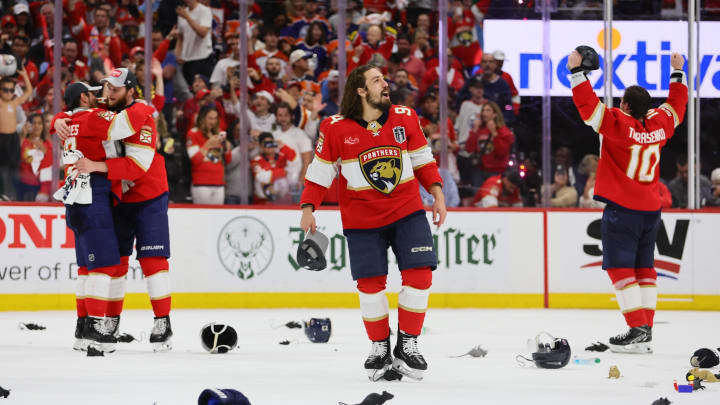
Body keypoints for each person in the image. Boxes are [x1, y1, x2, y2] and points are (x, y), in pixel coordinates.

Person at [299, 65, 447, 382]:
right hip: (362, 218)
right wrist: (309, 207)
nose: (385, 83)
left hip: (407, 210)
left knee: (420, 274)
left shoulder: (405, 116)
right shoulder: (335, 127)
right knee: (370, 285)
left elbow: (423, 159)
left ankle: (408, 343)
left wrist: (437, 193)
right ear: (361, 91)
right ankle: (379, 346)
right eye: (376, 79)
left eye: (384, 77)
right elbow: (320, 171)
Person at [569, 49, 687, 353]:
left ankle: (636, 328)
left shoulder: (618, 124)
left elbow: (588, 108)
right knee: (644, 268)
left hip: (623, 210)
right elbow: (676, 106)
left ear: (624, 105)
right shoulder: (660, 124)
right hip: (651, 209)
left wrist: (577, 72)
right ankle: (645, 330)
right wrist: (678, 75)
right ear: (648, 108)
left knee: (620, 268)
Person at [57, 68, 174, 352]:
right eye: (106, 87)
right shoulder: (106, 112)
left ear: (131, 90)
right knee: (114, 264)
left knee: (153, 261)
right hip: (115, 197)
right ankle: (108, 322)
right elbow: (79, 117)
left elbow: (138, 165)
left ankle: (162, 323)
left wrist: (97, 165)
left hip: (148, 196)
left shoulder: (141, 115)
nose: (108, 93)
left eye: (115, 89)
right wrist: (58, 118)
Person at [53, 81, 143, 353]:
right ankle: (94, 328)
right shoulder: (91, 117)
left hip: (75, 199)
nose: (99, 97)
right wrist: (144, 107)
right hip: (93, 194)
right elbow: (125, 126)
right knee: (103, 266)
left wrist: (56, 118)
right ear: (83, 96)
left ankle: (82, 329)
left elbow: (62, 119)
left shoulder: (68, 120)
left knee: (86, 268)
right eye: (93, 93)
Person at [187, 105, 233, 205]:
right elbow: (195, 160)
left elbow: (228, 160)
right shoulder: (193, 133)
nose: (213, 121)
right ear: (202, 118)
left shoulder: (218, 134)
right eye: (210, 118)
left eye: (215, 118)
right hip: (201, 184)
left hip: (219, 183)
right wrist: (208, 144)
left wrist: (227, 149)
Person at [464, 101, 515, 186]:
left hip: (496, 172)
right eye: (483, 110)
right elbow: (469, 149)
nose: (484, 113)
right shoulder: (479, 129)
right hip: (479, 171)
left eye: (488, 110)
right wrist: (474, 130)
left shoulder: (504, 131)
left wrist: (494, 133)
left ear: (495, 114)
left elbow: (501, 153)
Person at [0, 69, 32, 200]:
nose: (8, 93)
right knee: (1, 168)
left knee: (13, 169)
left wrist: (24, 75)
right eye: (5, 90)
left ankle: (11, 195)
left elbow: (29, 91)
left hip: (12, 138)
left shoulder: (14, 103)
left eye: (11, 90)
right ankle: (2, 194)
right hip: (1, 138)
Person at [251, 132, 296, 203]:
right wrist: (283, 172)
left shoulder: (282, 156)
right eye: (265, 143)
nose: (268, 146)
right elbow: (261, 176)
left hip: (282, 201)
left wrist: (283, 146)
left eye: (270, 143)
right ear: (260, 145)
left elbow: (294, 160)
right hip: (261, 201)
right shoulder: (256, 160)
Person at [16, 113, 52, 202]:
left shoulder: (47, 144)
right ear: (28, 125)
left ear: (43, 126)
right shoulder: (23, 141)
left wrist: (44, 150)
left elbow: (49, 168)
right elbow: (15, 158)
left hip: (42, 188)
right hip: (22, 185)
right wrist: (22, 136)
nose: (36, 126)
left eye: (39, 123)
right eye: (33, 123)